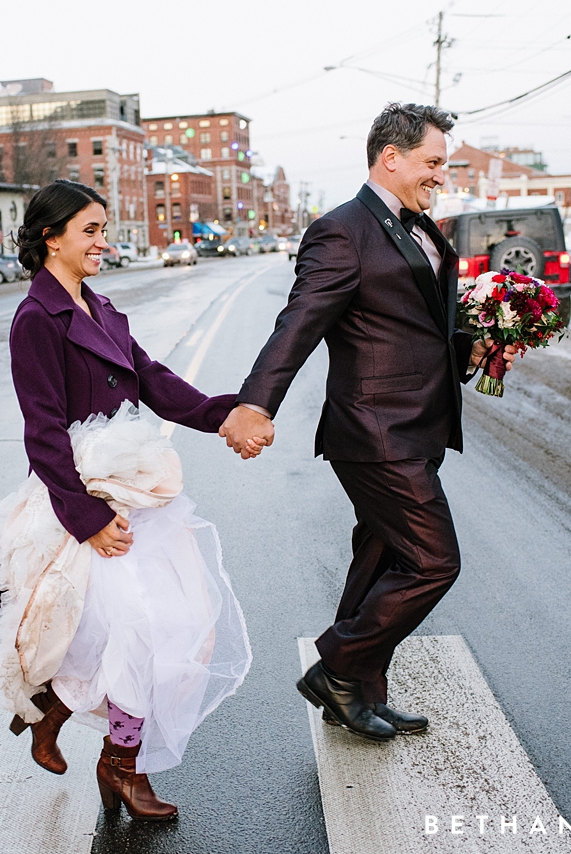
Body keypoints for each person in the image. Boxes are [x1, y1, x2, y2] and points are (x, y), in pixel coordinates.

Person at [219, 103, 520, 741]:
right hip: (376, 432)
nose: (442, 174)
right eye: (433, 162)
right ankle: (336, 665)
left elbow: (417, 330)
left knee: (381, 560)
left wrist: (482, 345)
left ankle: (357, 694)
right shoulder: (342, 231)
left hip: (418, 427)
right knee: (434, 562)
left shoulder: (423, 229)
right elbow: (298, 322)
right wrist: (255, 402)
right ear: (392, 157)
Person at [0, 180, 254, 821]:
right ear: (51, 238)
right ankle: (122, 767)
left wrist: (230, 415)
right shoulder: (35, 321)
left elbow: (156, 381)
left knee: (174, 626)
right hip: (84, 503)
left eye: (105, 229)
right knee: (134, 632)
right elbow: (43, 432)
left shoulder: (101, 308)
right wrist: (88, 521)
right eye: (91, 231)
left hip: (136, 496)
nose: (105, 242)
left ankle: (65, 723)